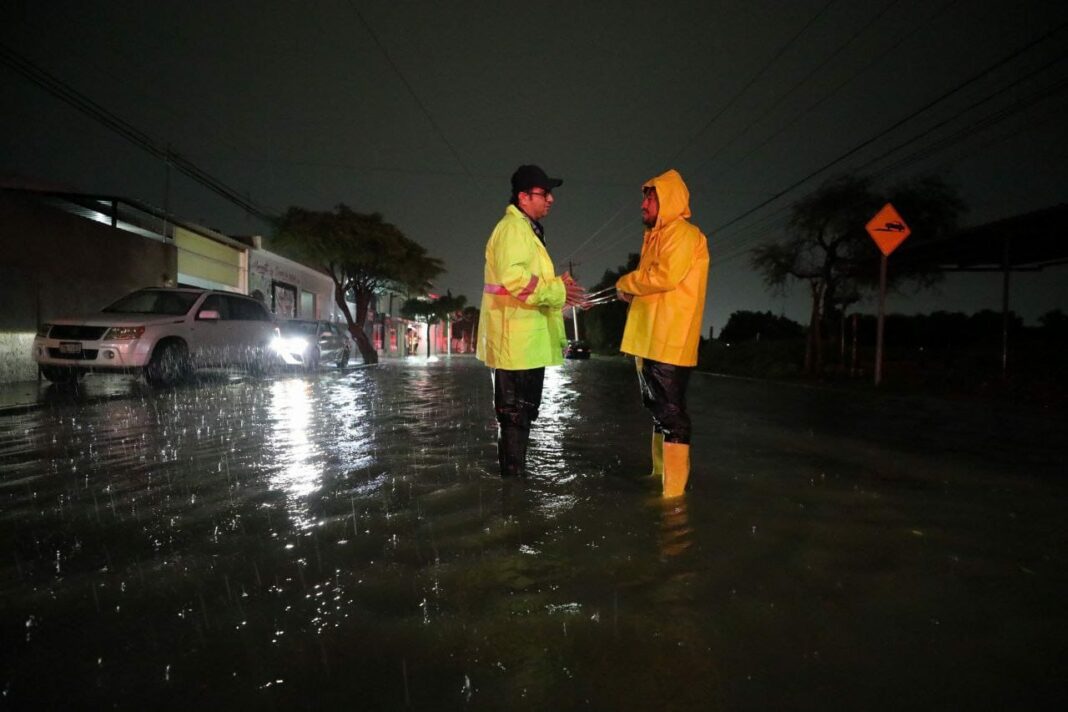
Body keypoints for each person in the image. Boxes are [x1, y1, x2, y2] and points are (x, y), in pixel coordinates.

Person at [477, 165, 586, 477]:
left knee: (519, 415)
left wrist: (559, 291)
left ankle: (514, 490)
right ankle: (513, 496)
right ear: (523, 197)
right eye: (544, 193)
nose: (551, 199)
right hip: (516, 341)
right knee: (515, 416)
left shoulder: (525, 229)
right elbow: (515, 280)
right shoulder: (513, 229)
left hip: (521, 340)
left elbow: (527, 282)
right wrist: (556, 289)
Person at [616, 169, 709, 498]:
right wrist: (631, 289)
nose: (643, 203)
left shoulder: (683, 233)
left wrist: (625, 283)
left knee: (672, 417)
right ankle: (659, 479)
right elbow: (652, 280)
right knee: (659, 413)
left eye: (650, 196)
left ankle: (673, 501)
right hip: (650, 340)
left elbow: (664, 276)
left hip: (669, 341)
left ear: (668, 200)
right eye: (644, 196)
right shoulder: (657, 236)